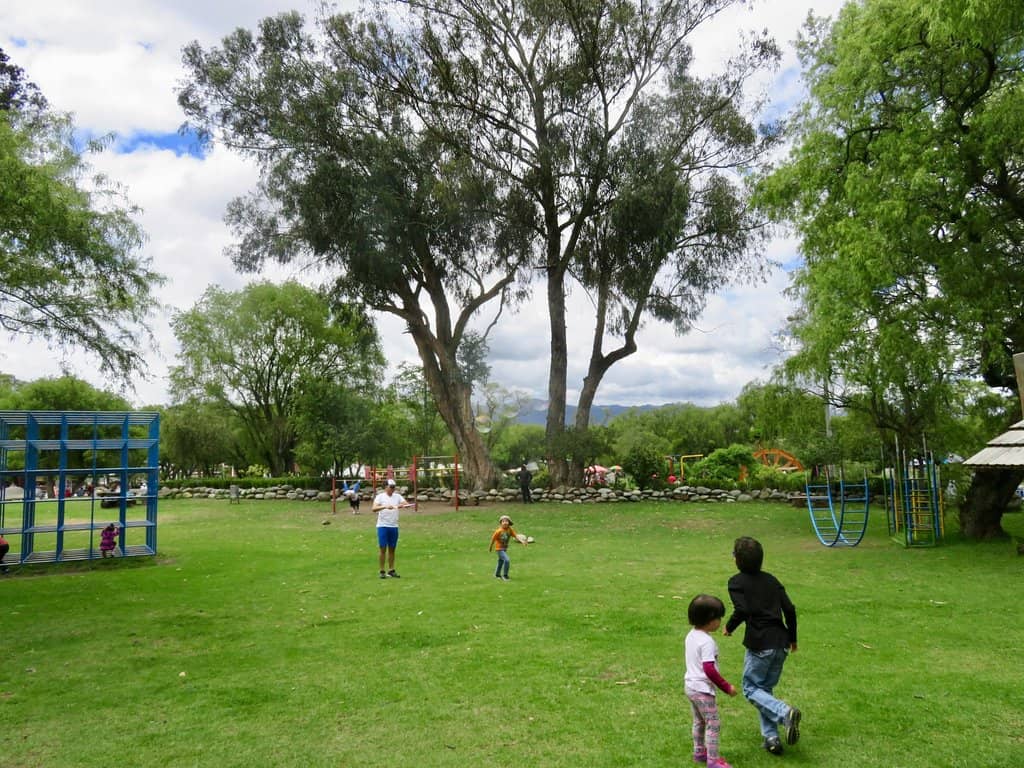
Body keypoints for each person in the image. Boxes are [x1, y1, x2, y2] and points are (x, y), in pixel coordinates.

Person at [723, 536, 800, 756]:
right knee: (763, 690)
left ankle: (785, 713)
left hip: (760, 644)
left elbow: (743, 609)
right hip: (781, 643)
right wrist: (793, 638)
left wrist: (729, 627)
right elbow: (790, 609)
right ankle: (772, 738)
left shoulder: (736, 582)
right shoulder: (771, 580)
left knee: (750, 689)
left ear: (737, 560)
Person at [684, 594, 738, 768]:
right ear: (710, 619)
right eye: (718, 618)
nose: (720, 621)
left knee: (699, 721)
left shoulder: (692, 635)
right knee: (713, 724)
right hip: (702, 690)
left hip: (690, 687)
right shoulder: (707, 641)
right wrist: (726, 687)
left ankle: (699, 752)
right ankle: (713, 761)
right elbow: (709, 669)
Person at [372, 479, 414, 579]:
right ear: (385, 487)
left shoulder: (397, 496)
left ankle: (391, 570)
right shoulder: (380, 497)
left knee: (392, 549)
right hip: (382, 526)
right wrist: (385, 507)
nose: (393, 489)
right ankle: (382, 571)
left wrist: (402, 505)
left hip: (394, 526)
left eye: (394, 487)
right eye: (391, 487)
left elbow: (406, 504)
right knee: (383, 548)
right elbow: (373, 509)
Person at [489, 514, 526, 581]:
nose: (505, 522)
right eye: (503, 521)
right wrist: (490, 547)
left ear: (509, 522)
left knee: (501, 561)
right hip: (499, 549)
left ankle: (497, 574)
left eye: (506, 521)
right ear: (501, 523)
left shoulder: (510, 529)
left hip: (504, 548)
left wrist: (522, 541)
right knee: (507, 560)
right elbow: (493, 539)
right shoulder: (498, 531)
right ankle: (505, 576)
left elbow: (516, 536)